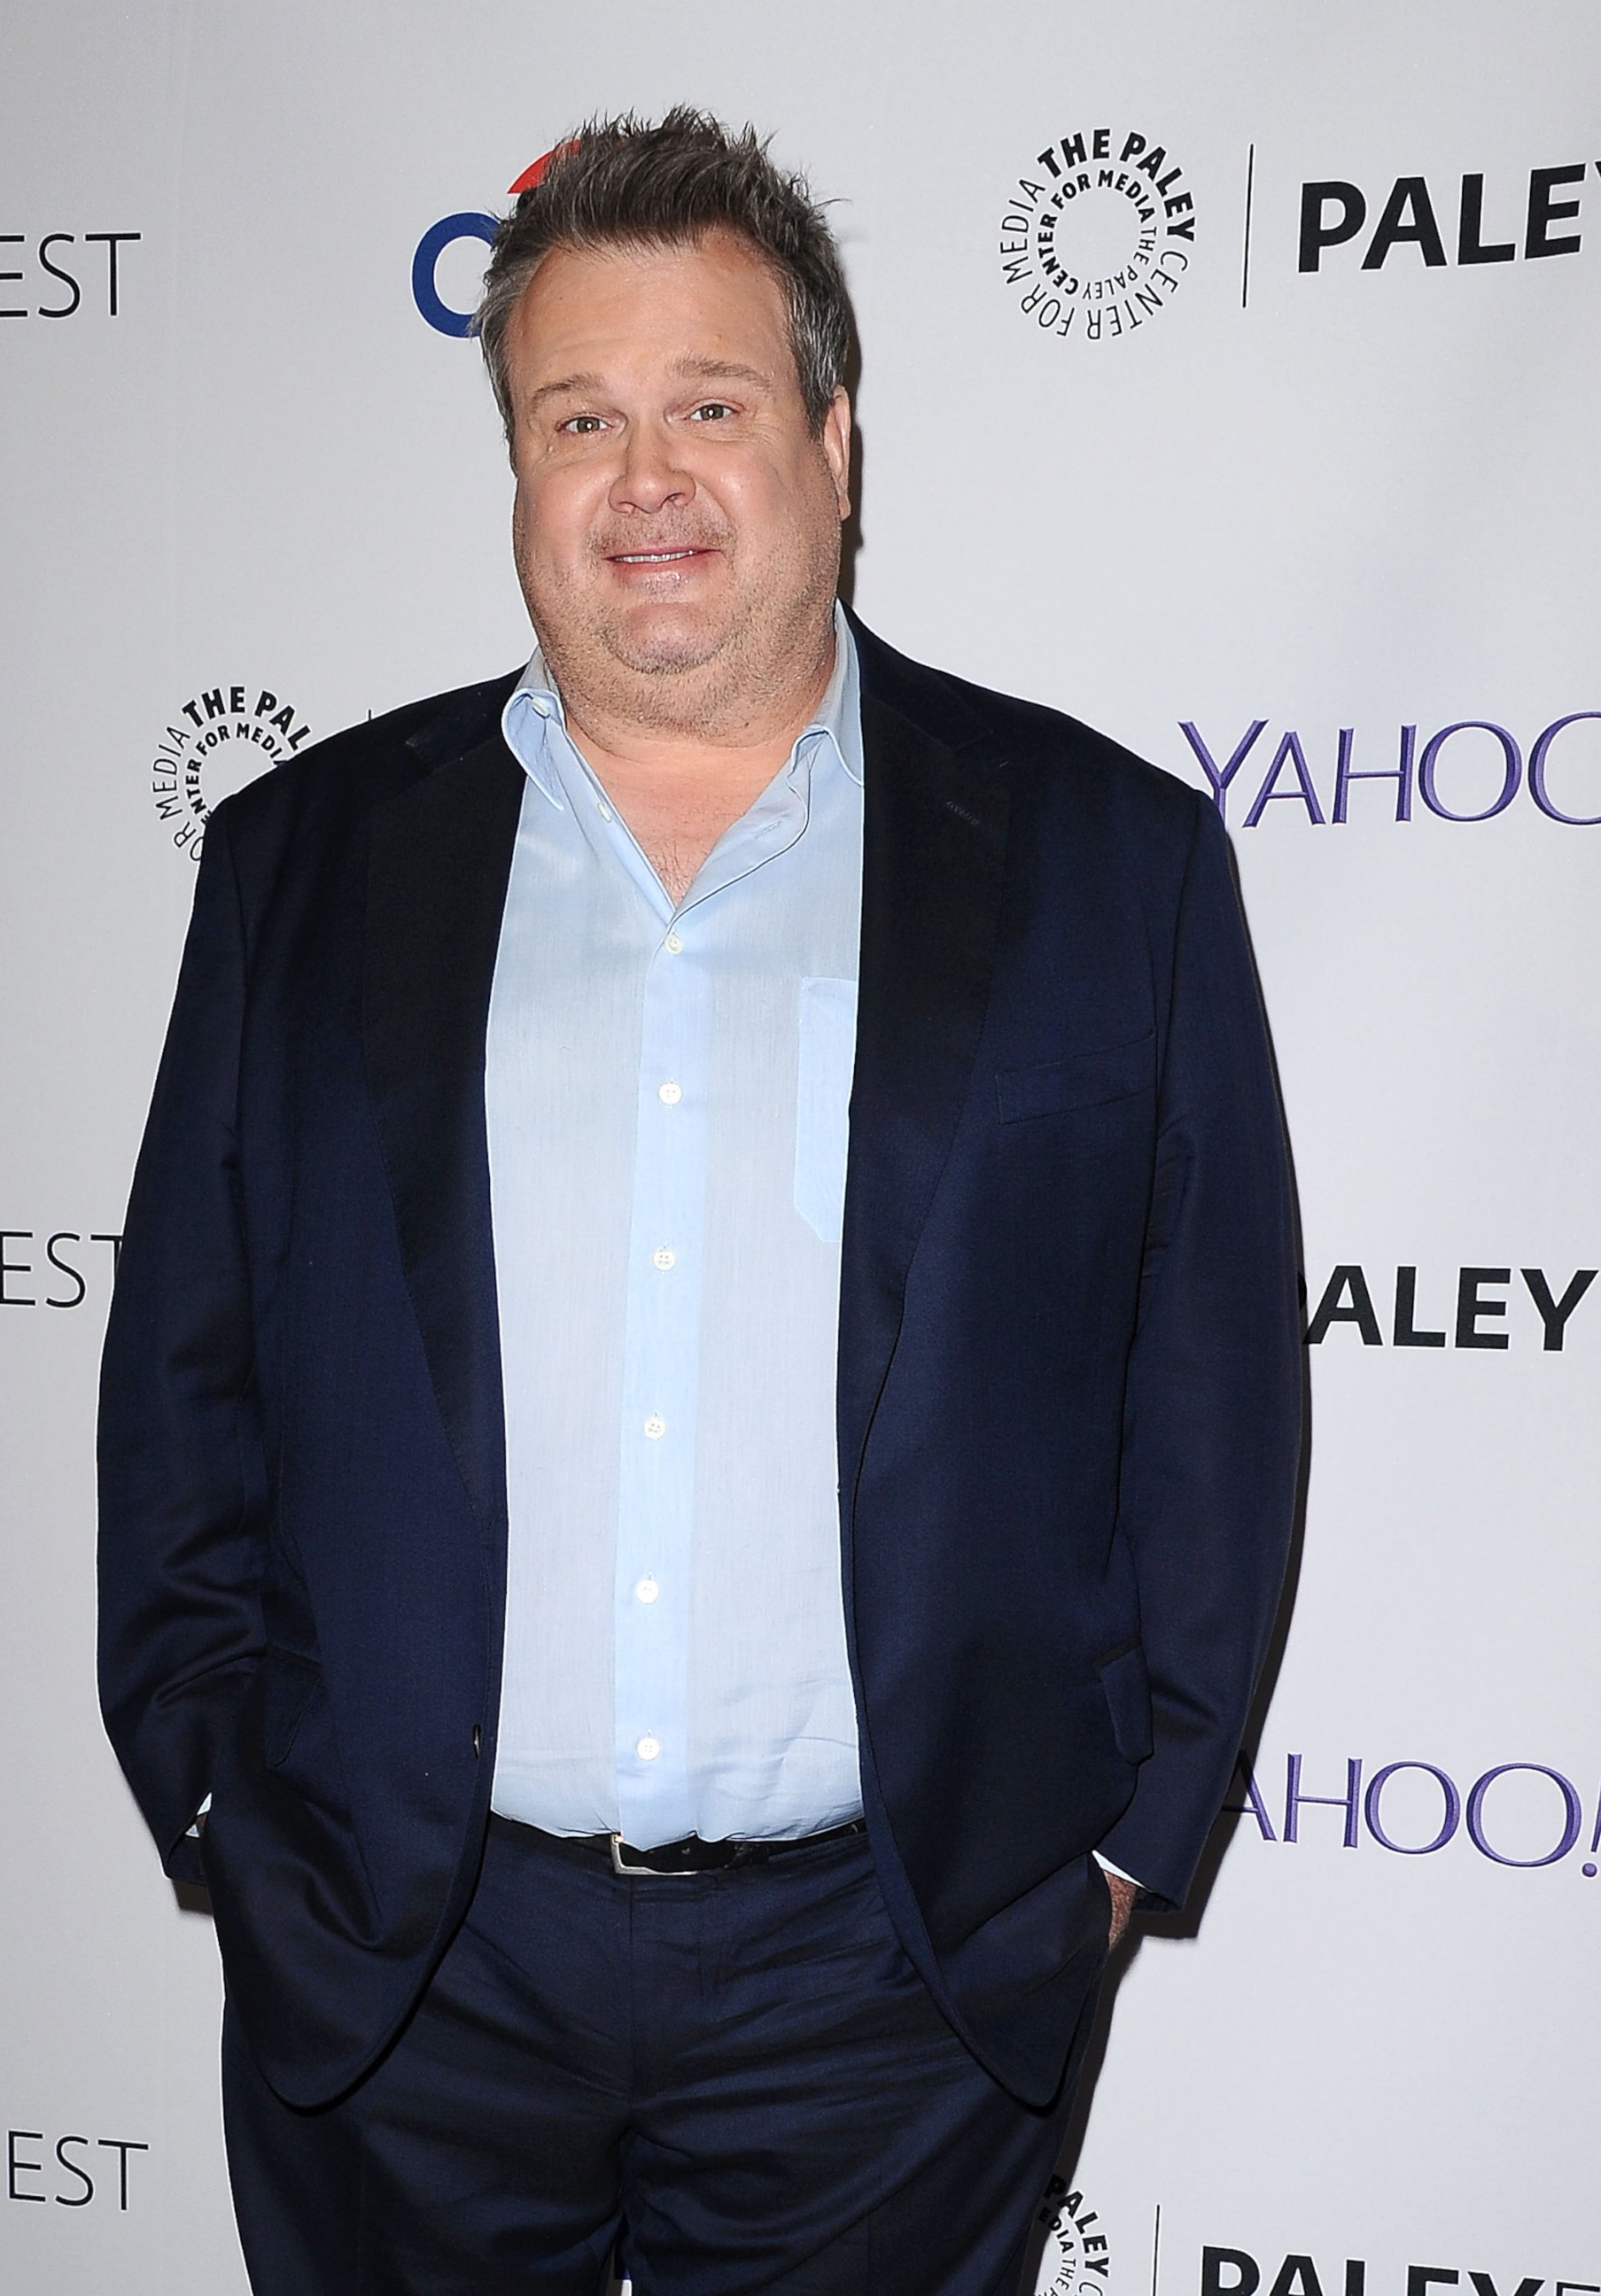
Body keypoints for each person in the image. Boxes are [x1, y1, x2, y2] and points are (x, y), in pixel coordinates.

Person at [98, 108, 1300, 2296]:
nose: (641, 479)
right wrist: (211, 1802)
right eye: (577, 418)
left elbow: (1207, 1390)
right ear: (519, 476)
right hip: (402, 1959)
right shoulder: (302, 863)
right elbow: (187, 1367)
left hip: (893, 1982)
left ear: (833, 443)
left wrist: (1123, 1848)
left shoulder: (1106, 861)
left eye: (708, 405)